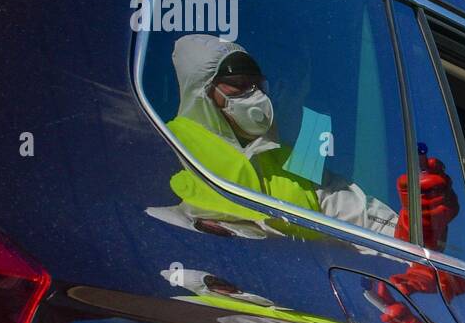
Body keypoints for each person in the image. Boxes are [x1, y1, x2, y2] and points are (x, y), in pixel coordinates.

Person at [168, 34, 399, 236]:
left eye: (257, 85)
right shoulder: (167, 146)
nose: (256, 96)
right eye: (239, 85)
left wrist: (414, 227)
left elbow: (365, 220)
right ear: (202, 91)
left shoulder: (295, 161)